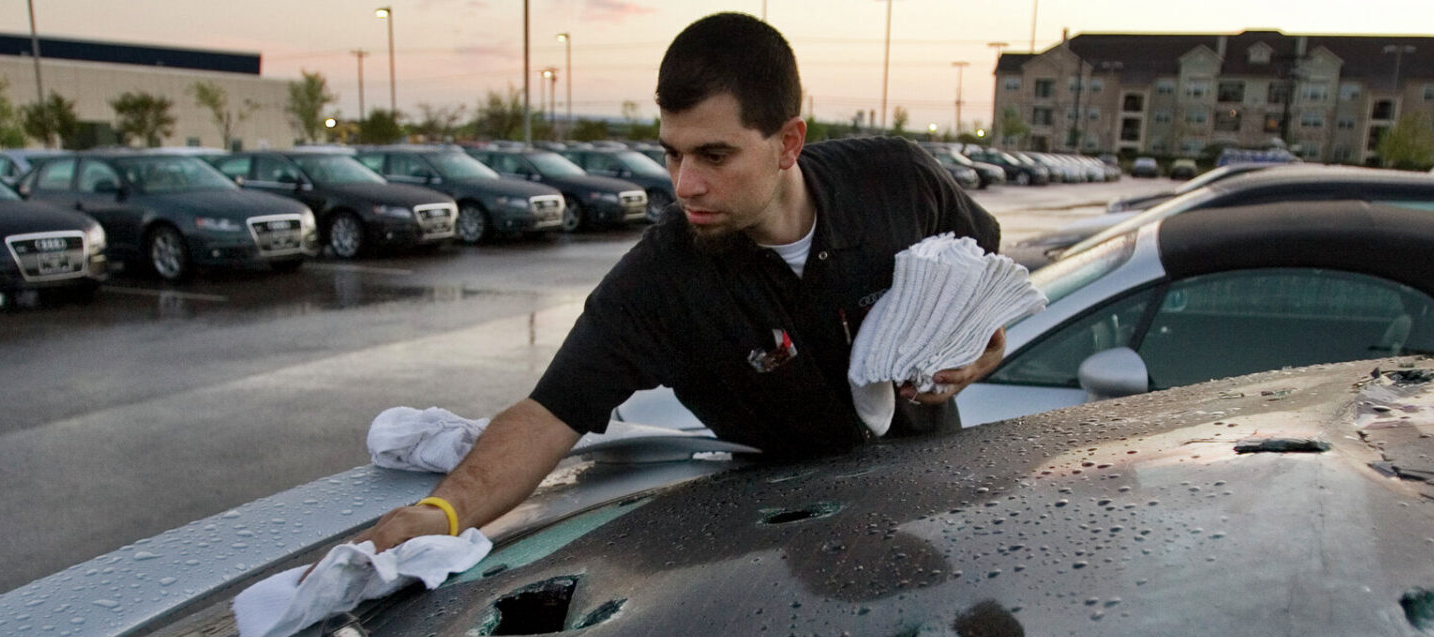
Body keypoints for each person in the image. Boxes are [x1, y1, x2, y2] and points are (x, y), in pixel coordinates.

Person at [358, 12, 1004, 552]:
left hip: (932, 507)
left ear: (788, 141)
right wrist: (442, 514)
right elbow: (549, 414)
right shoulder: (664, 280)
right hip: (781, 547)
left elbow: (983, 275)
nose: (685, 184)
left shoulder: (897, 181)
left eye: (714, 155)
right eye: (672, 152)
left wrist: (984, 345)